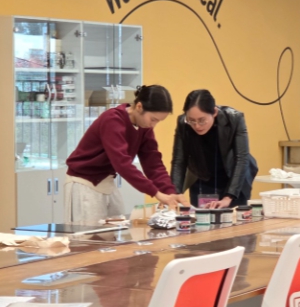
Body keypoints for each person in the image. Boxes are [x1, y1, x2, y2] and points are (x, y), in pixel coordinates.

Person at [65, 85, 189, 224]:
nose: (153, 125)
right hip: (84, 183)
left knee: (117, 228)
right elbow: (122, 163)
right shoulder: (112, 119)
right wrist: (156, 193)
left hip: (106, 181)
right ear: (139, 107)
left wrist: (170, 192)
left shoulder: (144, 127)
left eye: (158, 121)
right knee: (88, 233)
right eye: (153, 119)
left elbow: (153, 163)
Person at [170, 89, 258, 209]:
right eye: (191, 120)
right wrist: (175, 193)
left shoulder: (234, 118)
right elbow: (179, 161)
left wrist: (228, 197)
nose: (197, 126)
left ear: (214, 112)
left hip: (233, 178)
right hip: (202, 178)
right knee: (201, 218)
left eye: (202, 120)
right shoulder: (183, 123)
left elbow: (241, 158)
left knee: (233, 218)